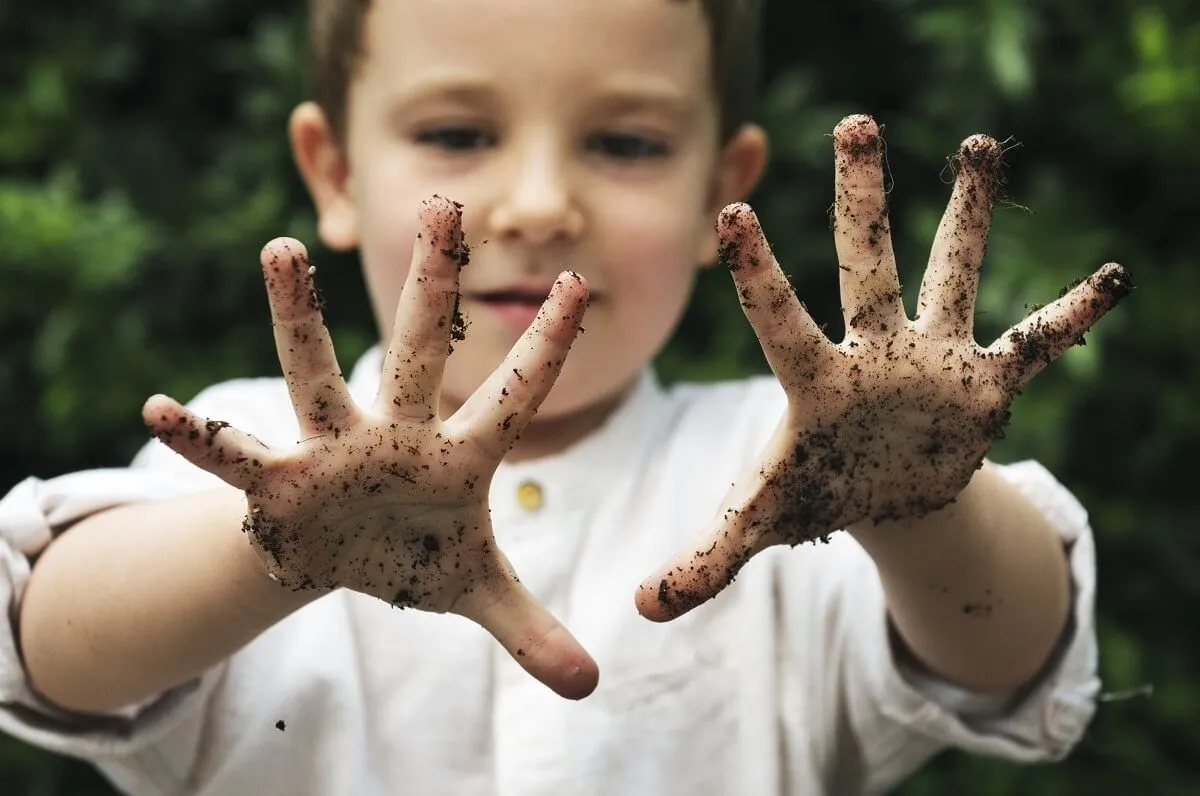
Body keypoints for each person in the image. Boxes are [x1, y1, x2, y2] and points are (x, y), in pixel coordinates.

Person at [0, 0, 1132, 793]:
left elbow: (1015, 658)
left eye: (625, 142)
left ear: (719, 191)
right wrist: (275, 547)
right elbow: (41, 641)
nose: (539, 202)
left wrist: (913, 496)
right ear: (333, 172)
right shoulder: (257, 457)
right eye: (457, 133)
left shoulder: (777, 462)